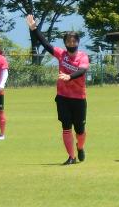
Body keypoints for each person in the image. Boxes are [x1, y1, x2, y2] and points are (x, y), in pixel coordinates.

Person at [26, 14, 91, 164]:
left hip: (79, 98)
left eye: (74, 41)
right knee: (66, 126)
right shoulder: (61, 54)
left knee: (80, 130)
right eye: (68, 41)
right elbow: (46, 44)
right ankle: (71, 157)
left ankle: (80, 147)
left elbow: (82, 70)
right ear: (65, 43)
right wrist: (34, 29)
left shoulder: (83, 56)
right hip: (62, 96)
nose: (71, 43)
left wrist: (70, 77)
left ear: (78, 42)